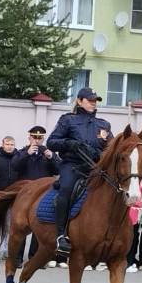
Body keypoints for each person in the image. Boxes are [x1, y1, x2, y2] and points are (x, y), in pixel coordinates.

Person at [46, 87, 112, 255]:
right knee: (66, 189)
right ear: (79, 101)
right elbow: (52, 142)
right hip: (73, 165)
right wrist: (69, 143)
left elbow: (110, 148)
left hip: (94, 168)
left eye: (95, 101)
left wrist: (99, 154)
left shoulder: (103, 124)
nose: (93, 103)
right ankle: (60, 235)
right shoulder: (68, 120)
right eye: (90, 100)